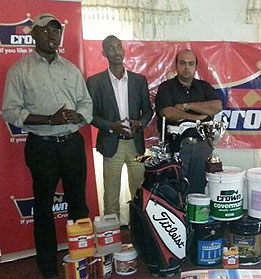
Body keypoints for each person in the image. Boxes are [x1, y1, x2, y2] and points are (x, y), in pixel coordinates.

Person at [2, 13, 93, 279]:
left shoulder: (70, 69)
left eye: (57, 31)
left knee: (78, 204)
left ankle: (83, 256)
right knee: (43, 208)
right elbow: (10, 111)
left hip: (72, 144)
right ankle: (48, 267)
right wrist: (49, 119)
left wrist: (78, 116)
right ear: (34, 35)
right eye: (46, 31)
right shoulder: (21, 69)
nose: (53, 36)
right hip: (42, 147)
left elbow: (86, 103)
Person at [86, 35, 153, 217]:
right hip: (111, 147)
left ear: (124, 50)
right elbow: (89, 115)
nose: (116, 52)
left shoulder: (138, 80)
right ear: (104, 53)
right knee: (111, 198)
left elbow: (149, 111)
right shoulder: (95, 82)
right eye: (111, 48)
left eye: (119, 47)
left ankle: (140, 235)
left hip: (136, 148)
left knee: (140, 194)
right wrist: (111, 126)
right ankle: (112, 239)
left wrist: (139, 123)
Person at [155, 49, 222, 194]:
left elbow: (217, 106)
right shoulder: (166, 87)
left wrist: (187, 106)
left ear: (196, 66)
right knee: (175, 186)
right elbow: (167, 112)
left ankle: (196, 216)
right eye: (183, 63)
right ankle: (178, 216)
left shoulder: (204, 87)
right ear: (176, 65)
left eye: (191, 64)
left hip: (202, 146)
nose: (187, 67)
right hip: (176, 146)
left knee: (198, 186)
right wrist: (196, 117)